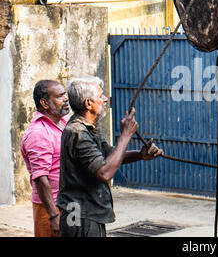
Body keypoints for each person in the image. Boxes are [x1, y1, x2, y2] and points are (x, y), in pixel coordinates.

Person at [57, 75, 163, 237]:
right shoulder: (78, 132)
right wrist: (125, 136)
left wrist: (140, 155)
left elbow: (110, 156)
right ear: (88, 103)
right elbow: (105, 172)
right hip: (81, 217)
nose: (105, 99)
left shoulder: (87, 128)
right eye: (101, 96)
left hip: (88, 214)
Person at [20, 80, 70, 237]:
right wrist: (53, 215)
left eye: (65, 94)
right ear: (45, 103)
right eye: (60, 96)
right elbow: (41, 178)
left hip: (70, 203)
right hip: (51, 206)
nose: (66, 99)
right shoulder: (38, 133)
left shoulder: (64, 122)